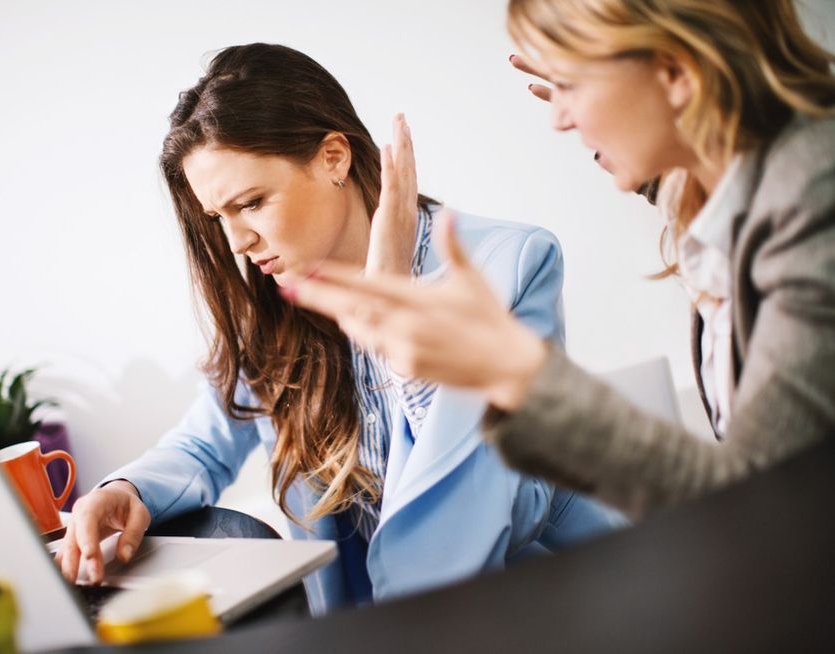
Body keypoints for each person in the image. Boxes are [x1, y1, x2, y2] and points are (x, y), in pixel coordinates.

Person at [56, 43, 623, 614]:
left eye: (251, 203)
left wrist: (401, 340)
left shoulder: (508, 265)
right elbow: (203, 444)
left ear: (333, 157)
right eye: (218, 218)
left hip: (527, 612)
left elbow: (514, 506)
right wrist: (123, 491)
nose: (236, 243)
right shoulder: (276, 305)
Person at [287, 0, 835, 519]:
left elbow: (760, 503)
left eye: (571, 83)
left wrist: (517, 371)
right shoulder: (758, 181)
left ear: (676, 74)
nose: (559, 118)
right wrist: (643, 141)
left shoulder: (816, 203)